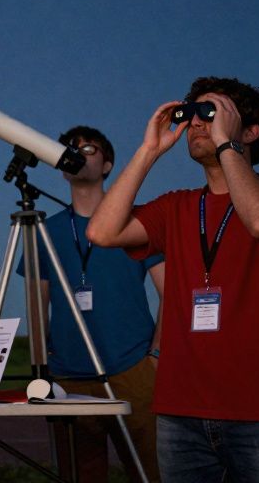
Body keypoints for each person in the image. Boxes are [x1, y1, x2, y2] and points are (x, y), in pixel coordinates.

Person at [88, 77, 259, 483]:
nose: (195, 122)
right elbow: (102, 232)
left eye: (211, 113)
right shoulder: (177, 206)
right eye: (191, 113)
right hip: (181, 415)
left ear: (250, 131)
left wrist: (227, 145)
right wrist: (149, 151)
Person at [16, 127, 162, 483]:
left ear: (108, 165)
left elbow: (171, 294)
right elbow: (36, 306)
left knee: (151, 473)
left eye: (88, 149)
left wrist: (155, 357)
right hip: (68, 376)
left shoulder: (136, 222)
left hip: (132, 369)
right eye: (70, 149)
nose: (77, 154)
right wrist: (45, 363)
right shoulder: (44, 230)